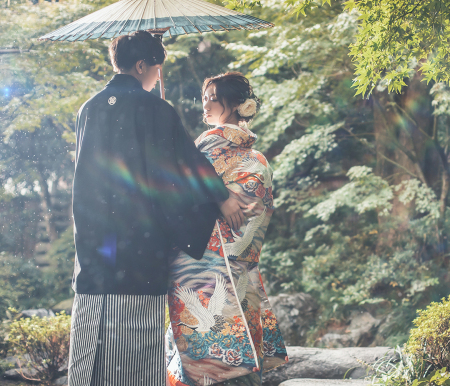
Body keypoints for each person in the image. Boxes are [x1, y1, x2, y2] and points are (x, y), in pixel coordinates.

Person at [67, 31, 245, 386]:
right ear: (141, 65)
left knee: (89, 335)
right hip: (139, 242)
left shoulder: (89, 108)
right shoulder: (155, 109)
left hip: (93, 242)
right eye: (156, 69)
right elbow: (184, 161)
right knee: (135, 346)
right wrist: (220, 196)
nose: (157, 77)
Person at [166, 72, 288, 386]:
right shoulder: (256, 159)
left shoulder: (203, 153)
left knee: (203, 362)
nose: (204, 104)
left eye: (212, 97)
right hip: (239, 273)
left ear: (234, 104)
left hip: (199, 271)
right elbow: (255, 221)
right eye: (203, 97)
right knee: (235, 367)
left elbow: (175, 201)